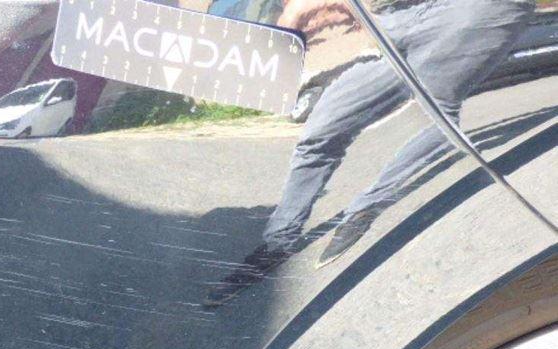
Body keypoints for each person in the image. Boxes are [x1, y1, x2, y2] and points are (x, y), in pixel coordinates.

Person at [204, 0, 536, 307]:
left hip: (477, 8)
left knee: (436, 109)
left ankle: (365, 207)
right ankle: (278, 241)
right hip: (398, 13)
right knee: (324, 126)